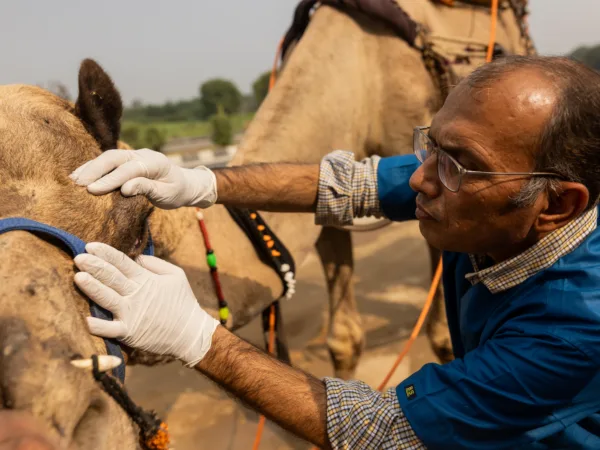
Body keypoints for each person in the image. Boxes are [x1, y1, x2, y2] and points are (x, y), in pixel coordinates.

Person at [69, 55, 600, 449]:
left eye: (457, 163)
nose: (420, 177)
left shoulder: (574, 326)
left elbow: (384, 430)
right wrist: (200, 181)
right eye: (432, 145)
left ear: (556, 204)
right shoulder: (481, 203)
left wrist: (196, 338)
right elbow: (351, 185)